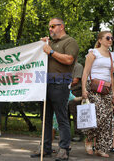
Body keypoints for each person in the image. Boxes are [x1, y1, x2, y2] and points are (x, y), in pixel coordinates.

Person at [31, 17, 79, 161]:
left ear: (61, 27)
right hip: (43, 83)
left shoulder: (70, 41)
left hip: (60, 83)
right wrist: (42, 44)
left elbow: (69, 59)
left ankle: (64, 149)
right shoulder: (49, 43)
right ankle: (45, 148)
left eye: (53, 26)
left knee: (61, 117)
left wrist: (50, 51)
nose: (50, 29)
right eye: (49, 27)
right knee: (45, 118)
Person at [81, 31, 114, 158]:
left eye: (112, 38)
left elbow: (111, 76)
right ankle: (89, 139)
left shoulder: (112, 56)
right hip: (93, 88)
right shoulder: (93, 53)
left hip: (106, 90)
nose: (110, 40)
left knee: (107, 120)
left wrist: (113, 92)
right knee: (98, 115)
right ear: (100, 40)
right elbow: (85, 72)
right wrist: (83, 90)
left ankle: (101, 148)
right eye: (108, 38)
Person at [68, 62, 84, 142]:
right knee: (65, 112)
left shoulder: (78, 66)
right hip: (66, 91)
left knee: (75, 113)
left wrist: (64, 85)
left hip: (75, 91)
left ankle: (78, 133)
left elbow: (76, 80)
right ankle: (65, 134)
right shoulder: (65, 66)